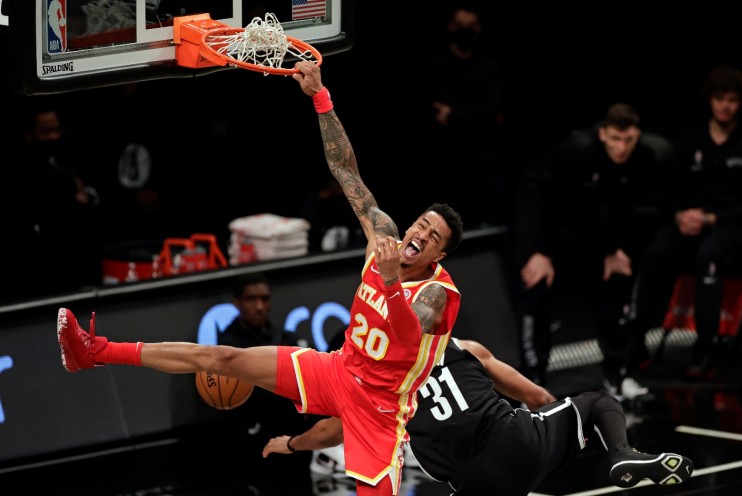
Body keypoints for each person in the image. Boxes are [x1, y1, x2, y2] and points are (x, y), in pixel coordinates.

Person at [56, 60, 464, 496]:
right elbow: (346, 171)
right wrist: (320, 98)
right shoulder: (383, 235)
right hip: (338, 369)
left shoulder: (437, 293)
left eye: (433, 236)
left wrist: (390, 282)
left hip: (381, 408)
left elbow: (407, 334)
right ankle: (93, 351)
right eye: (422, 224)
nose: (421, 234)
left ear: (439, 254)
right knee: (223, 358)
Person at [262, 337, 694, 495]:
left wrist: (291, 445)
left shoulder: (373, 390)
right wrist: (558, 433)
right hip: (517, 440)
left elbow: (328, 432)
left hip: (473, 482)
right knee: (596, 402)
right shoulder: (462, 347)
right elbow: (537, 396)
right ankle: (621, 453)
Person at [512, 103, 671, 395]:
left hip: (587, 215)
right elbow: (557, 204)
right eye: (615, 139)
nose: (621, 147)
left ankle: (617, 373)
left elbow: (626, 206)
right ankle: (533, 384)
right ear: (603, 134)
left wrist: (615, 251)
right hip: (543, 204)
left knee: (615, 279)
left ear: (637, 135)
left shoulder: (644, 156)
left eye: (628, 140)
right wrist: (542, 253)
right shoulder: (578, 150)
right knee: (534, 282)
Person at [624, 64, 742, 380]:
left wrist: (712, 218)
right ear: (710, 100)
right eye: (719, 98)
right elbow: (671, 188)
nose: (725, 106)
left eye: (732, 100)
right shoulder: (691, 139)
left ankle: (706, 347)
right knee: (655, 253)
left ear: (740, 104)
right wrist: (680, 214)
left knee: (708, 256)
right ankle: (636, 340)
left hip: (730, 224)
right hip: (689, 220)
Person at [195, 272, 320, 495]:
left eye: (264, 298)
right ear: (237, 303)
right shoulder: (227, 350)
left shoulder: (286, 338)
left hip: (294, 442)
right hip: (254, 447)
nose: (259, 306)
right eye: (251, 299)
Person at [2, 104, 101, 304]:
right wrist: (71, 199)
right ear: (30, 135)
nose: (54, 137)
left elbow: (92, 185)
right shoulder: (20, 169)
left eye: (56, 130)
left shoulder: (69, 155)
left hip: (78, 260)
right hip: (40, 268)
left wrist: (86, 196)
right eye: (46, 132)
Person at [422, 2, 509, 228]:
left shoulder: (489, 66)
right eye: (460, 25)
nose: (466, 31)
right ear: (450, 26)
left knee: (492, 215)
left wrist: (455, 114)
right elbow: (437, 113)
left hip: (485, 154)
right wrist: (478, 115)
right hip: (447, 158)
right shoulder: (436, 66)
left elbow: (493, 109)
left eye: (472, 25)